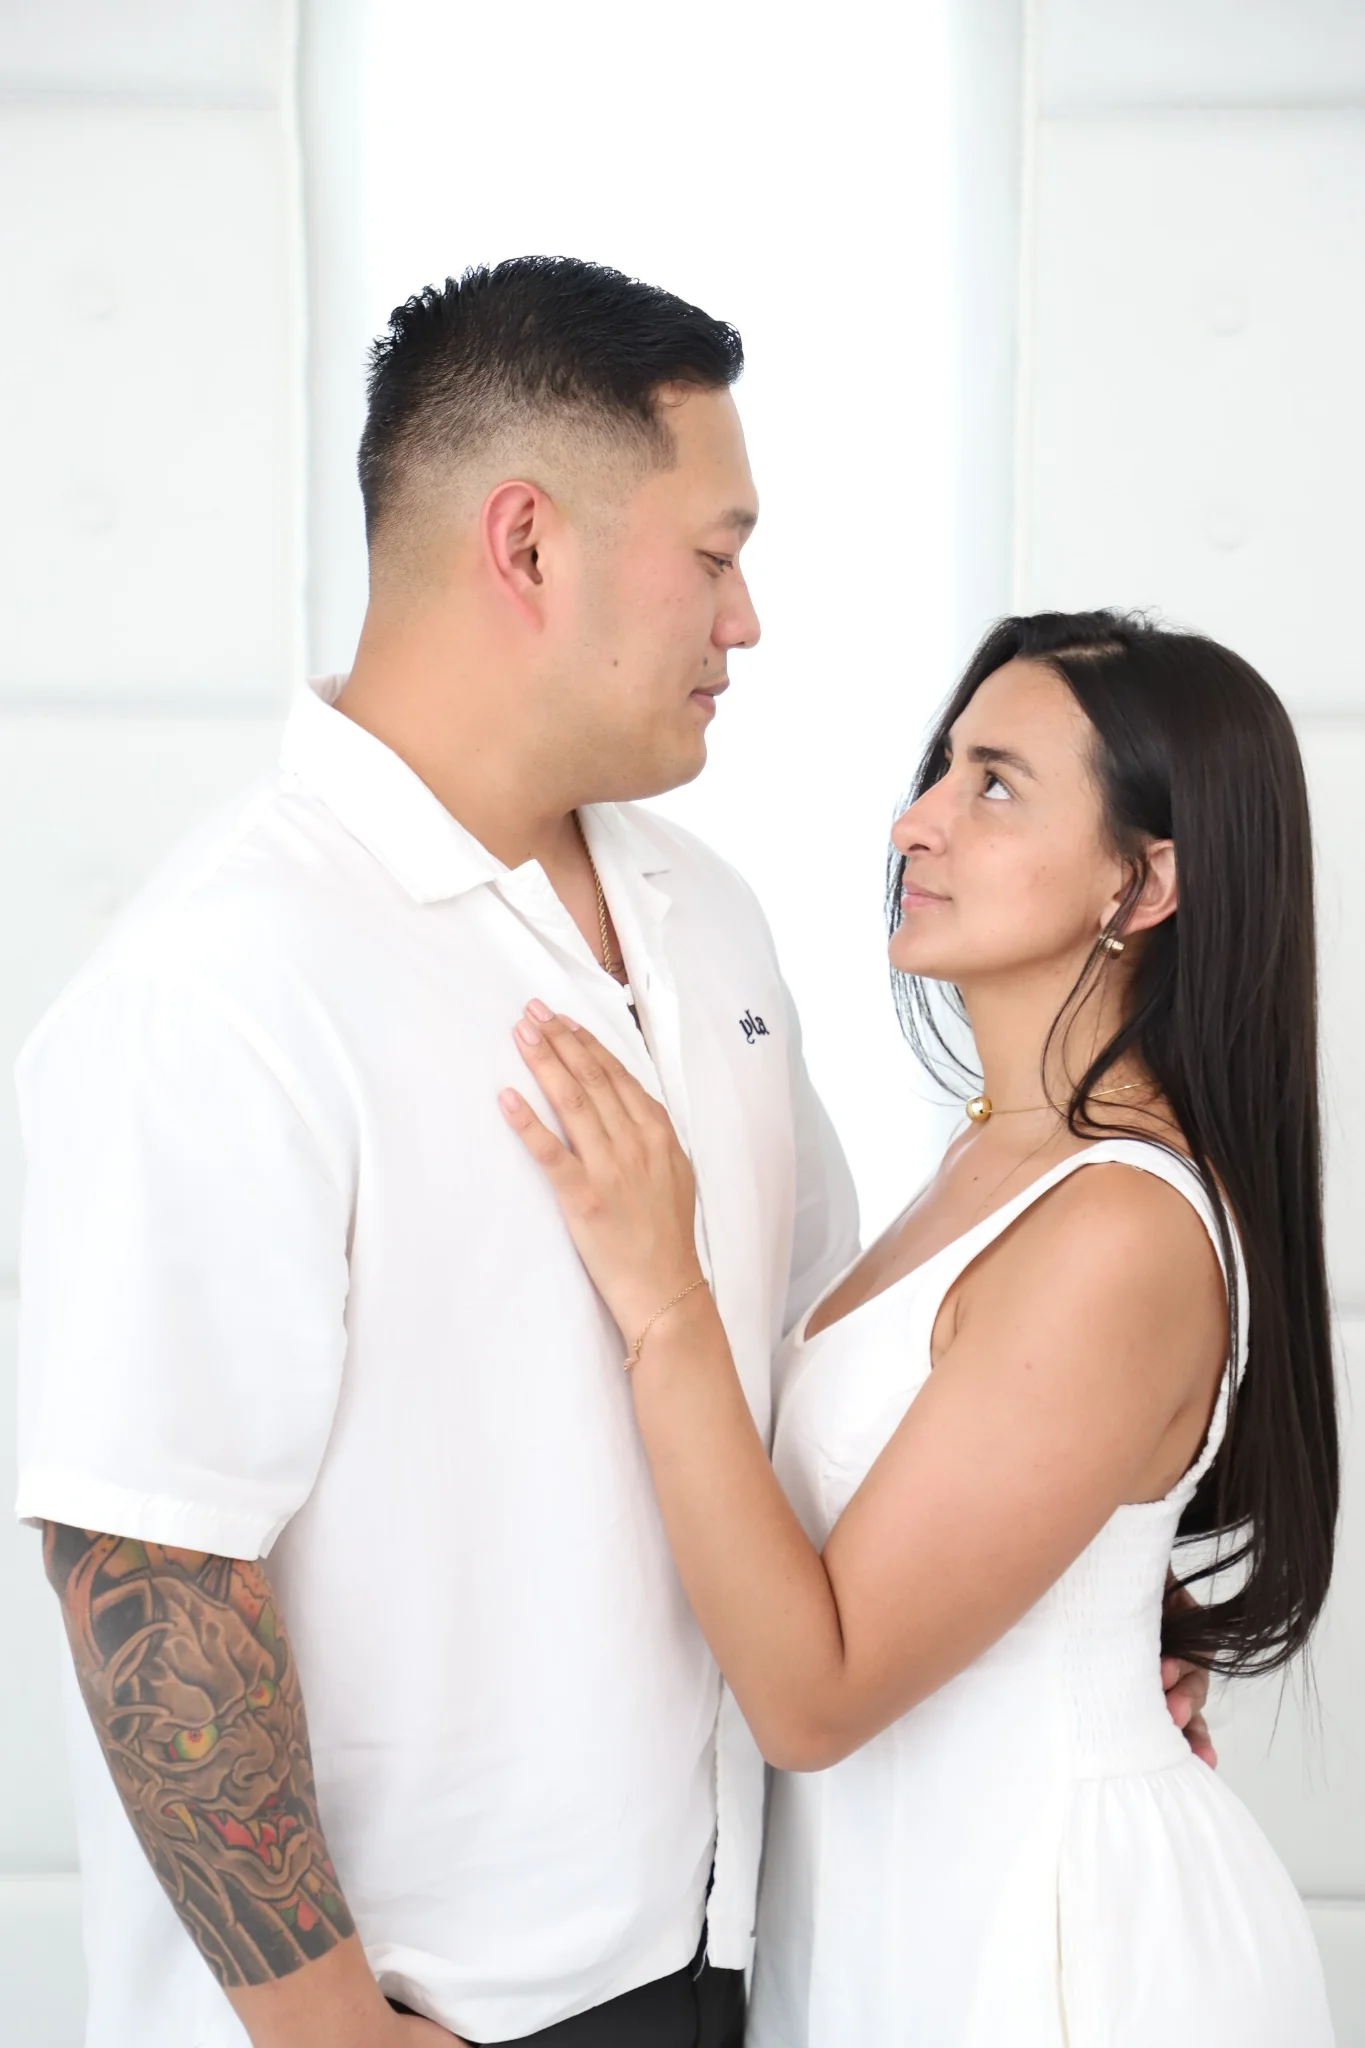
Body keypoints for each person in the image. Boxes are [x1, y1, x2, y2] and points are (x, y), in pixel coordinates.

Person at [14, 261, 1206, 2048]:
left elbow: (828, 1364)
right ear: (528, 546)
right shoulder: (228, 980)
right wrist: (326, 2027)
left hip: (734, 1943)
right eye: (715, 555)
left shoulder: (703, 919)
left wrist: (1095, 1595)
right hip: (424, 2008)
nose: (750, 623)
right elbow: (145, 1564)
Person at [502, 610, 1339, 2045]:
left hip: (1050, 1946)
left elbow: (815, 1696)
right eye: (941, 770)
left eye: (995, 785)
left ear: (1143, 883)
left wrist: (663, 1298)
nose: (917, 821)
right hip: (909, 1907)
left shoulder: (1120, 1229)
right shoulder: (992, 1163)